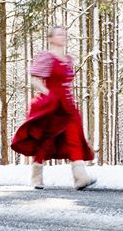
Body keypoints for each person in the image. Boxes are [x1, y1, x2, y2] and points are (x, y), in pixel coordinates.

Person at [11, 25, 96, 190]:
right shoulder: (46, 57)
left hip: (68, 104)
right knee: (46, 140)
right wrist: (48, 94)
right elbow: (35, 79)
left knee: (75, 137)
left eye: (64, 34)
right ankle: (36, 177)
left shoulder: (69, 59)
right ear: (50, 38)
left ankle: (80, 178)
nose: (63, 37)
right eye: (59, 34)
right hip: (52, 104)